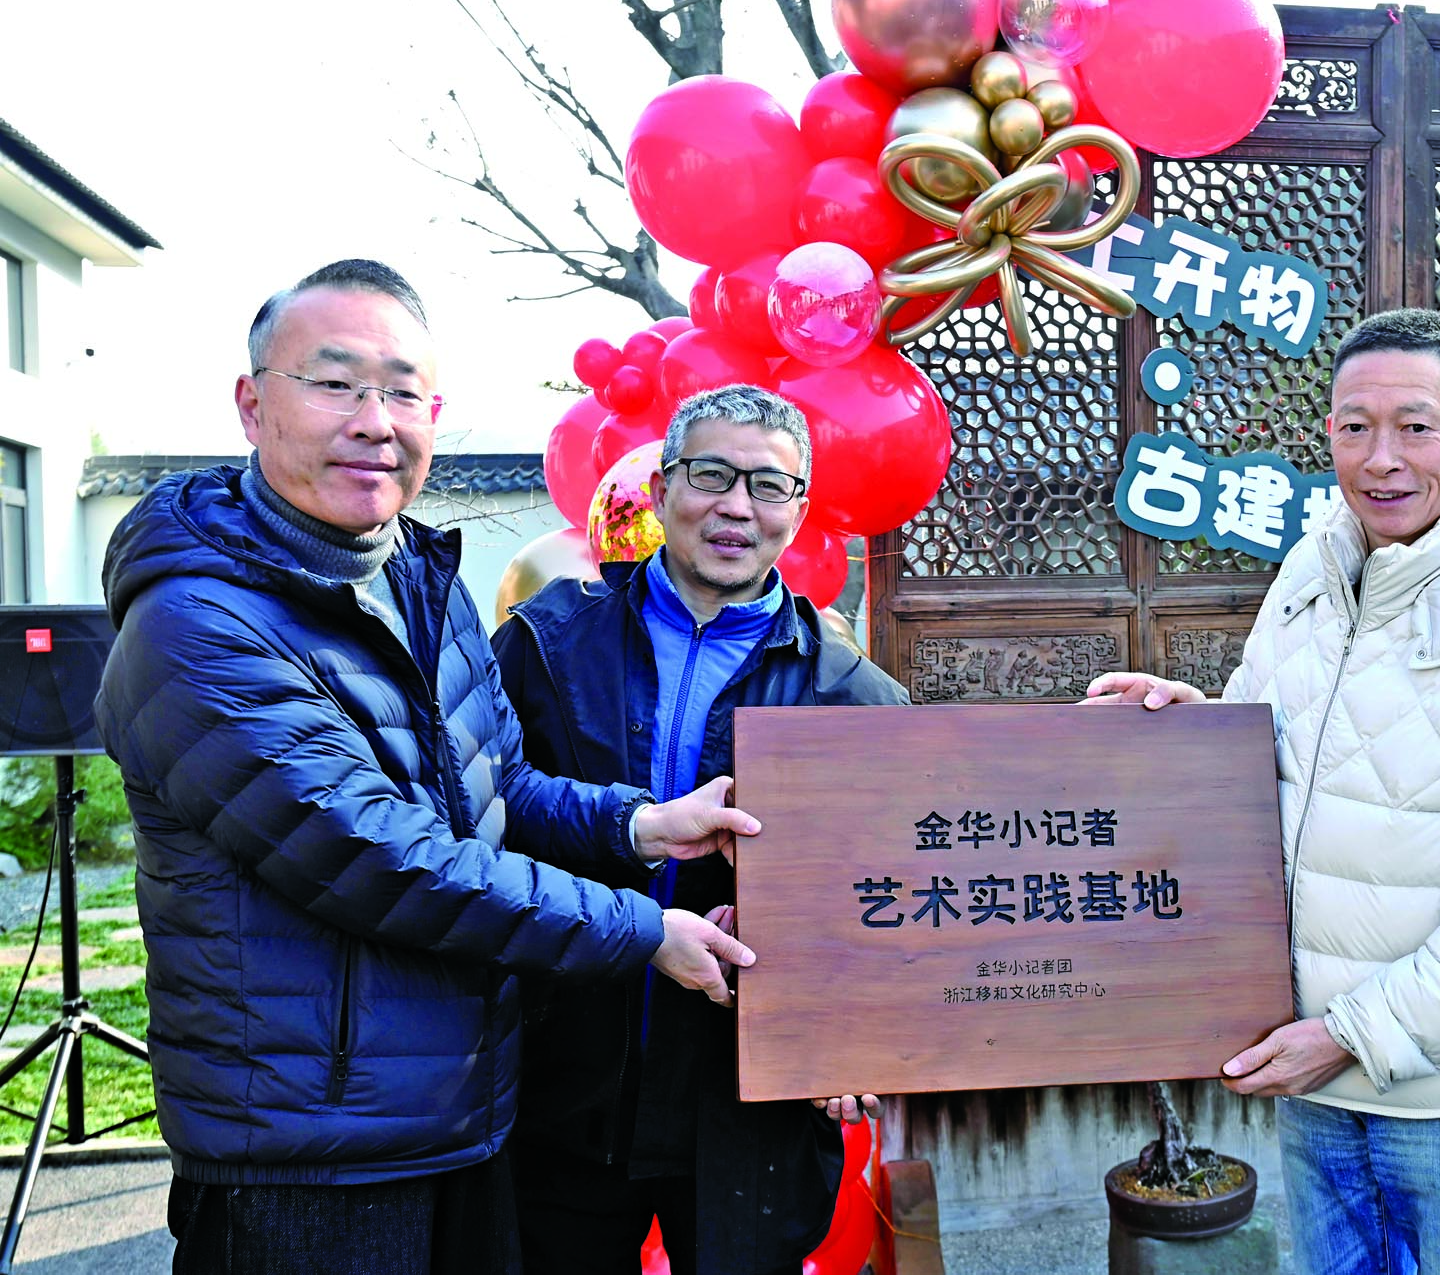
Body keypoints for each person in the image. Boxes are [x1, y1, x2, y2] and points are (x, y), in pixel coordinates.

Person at [93, 259, 759, 1275]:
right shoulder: (195, 626)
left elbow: (499, 790)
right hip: (310, 1153)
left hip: (467, 1115)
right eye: (335, 383)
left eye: (404, 393)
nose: (375, 422)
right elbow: (385, 859)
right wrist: (643, 930)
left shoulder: (416, 574)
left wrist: (638, 824)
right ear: (252, 404)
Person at [1086, 308, 1440, 1274]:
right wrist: (1197, 728)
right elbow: (1287, 758)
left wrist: (1350, 1034)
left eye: (1416, 427)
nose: (1381, 459)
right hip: (1313, 1082)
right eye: (1354, 427)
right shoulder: (1315, 569)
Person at [492, 383, 909, 1275]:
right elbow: (481, 820)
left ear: (799, 509)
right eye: (711, 474)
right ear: (662, 485)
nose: (737, 506)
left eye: (769, 485)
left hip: (748, 1118)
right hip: (560, 1090)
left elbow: (900, 890)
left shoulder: (852, 694)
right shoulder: (546, 643)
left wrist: (858, 1032)